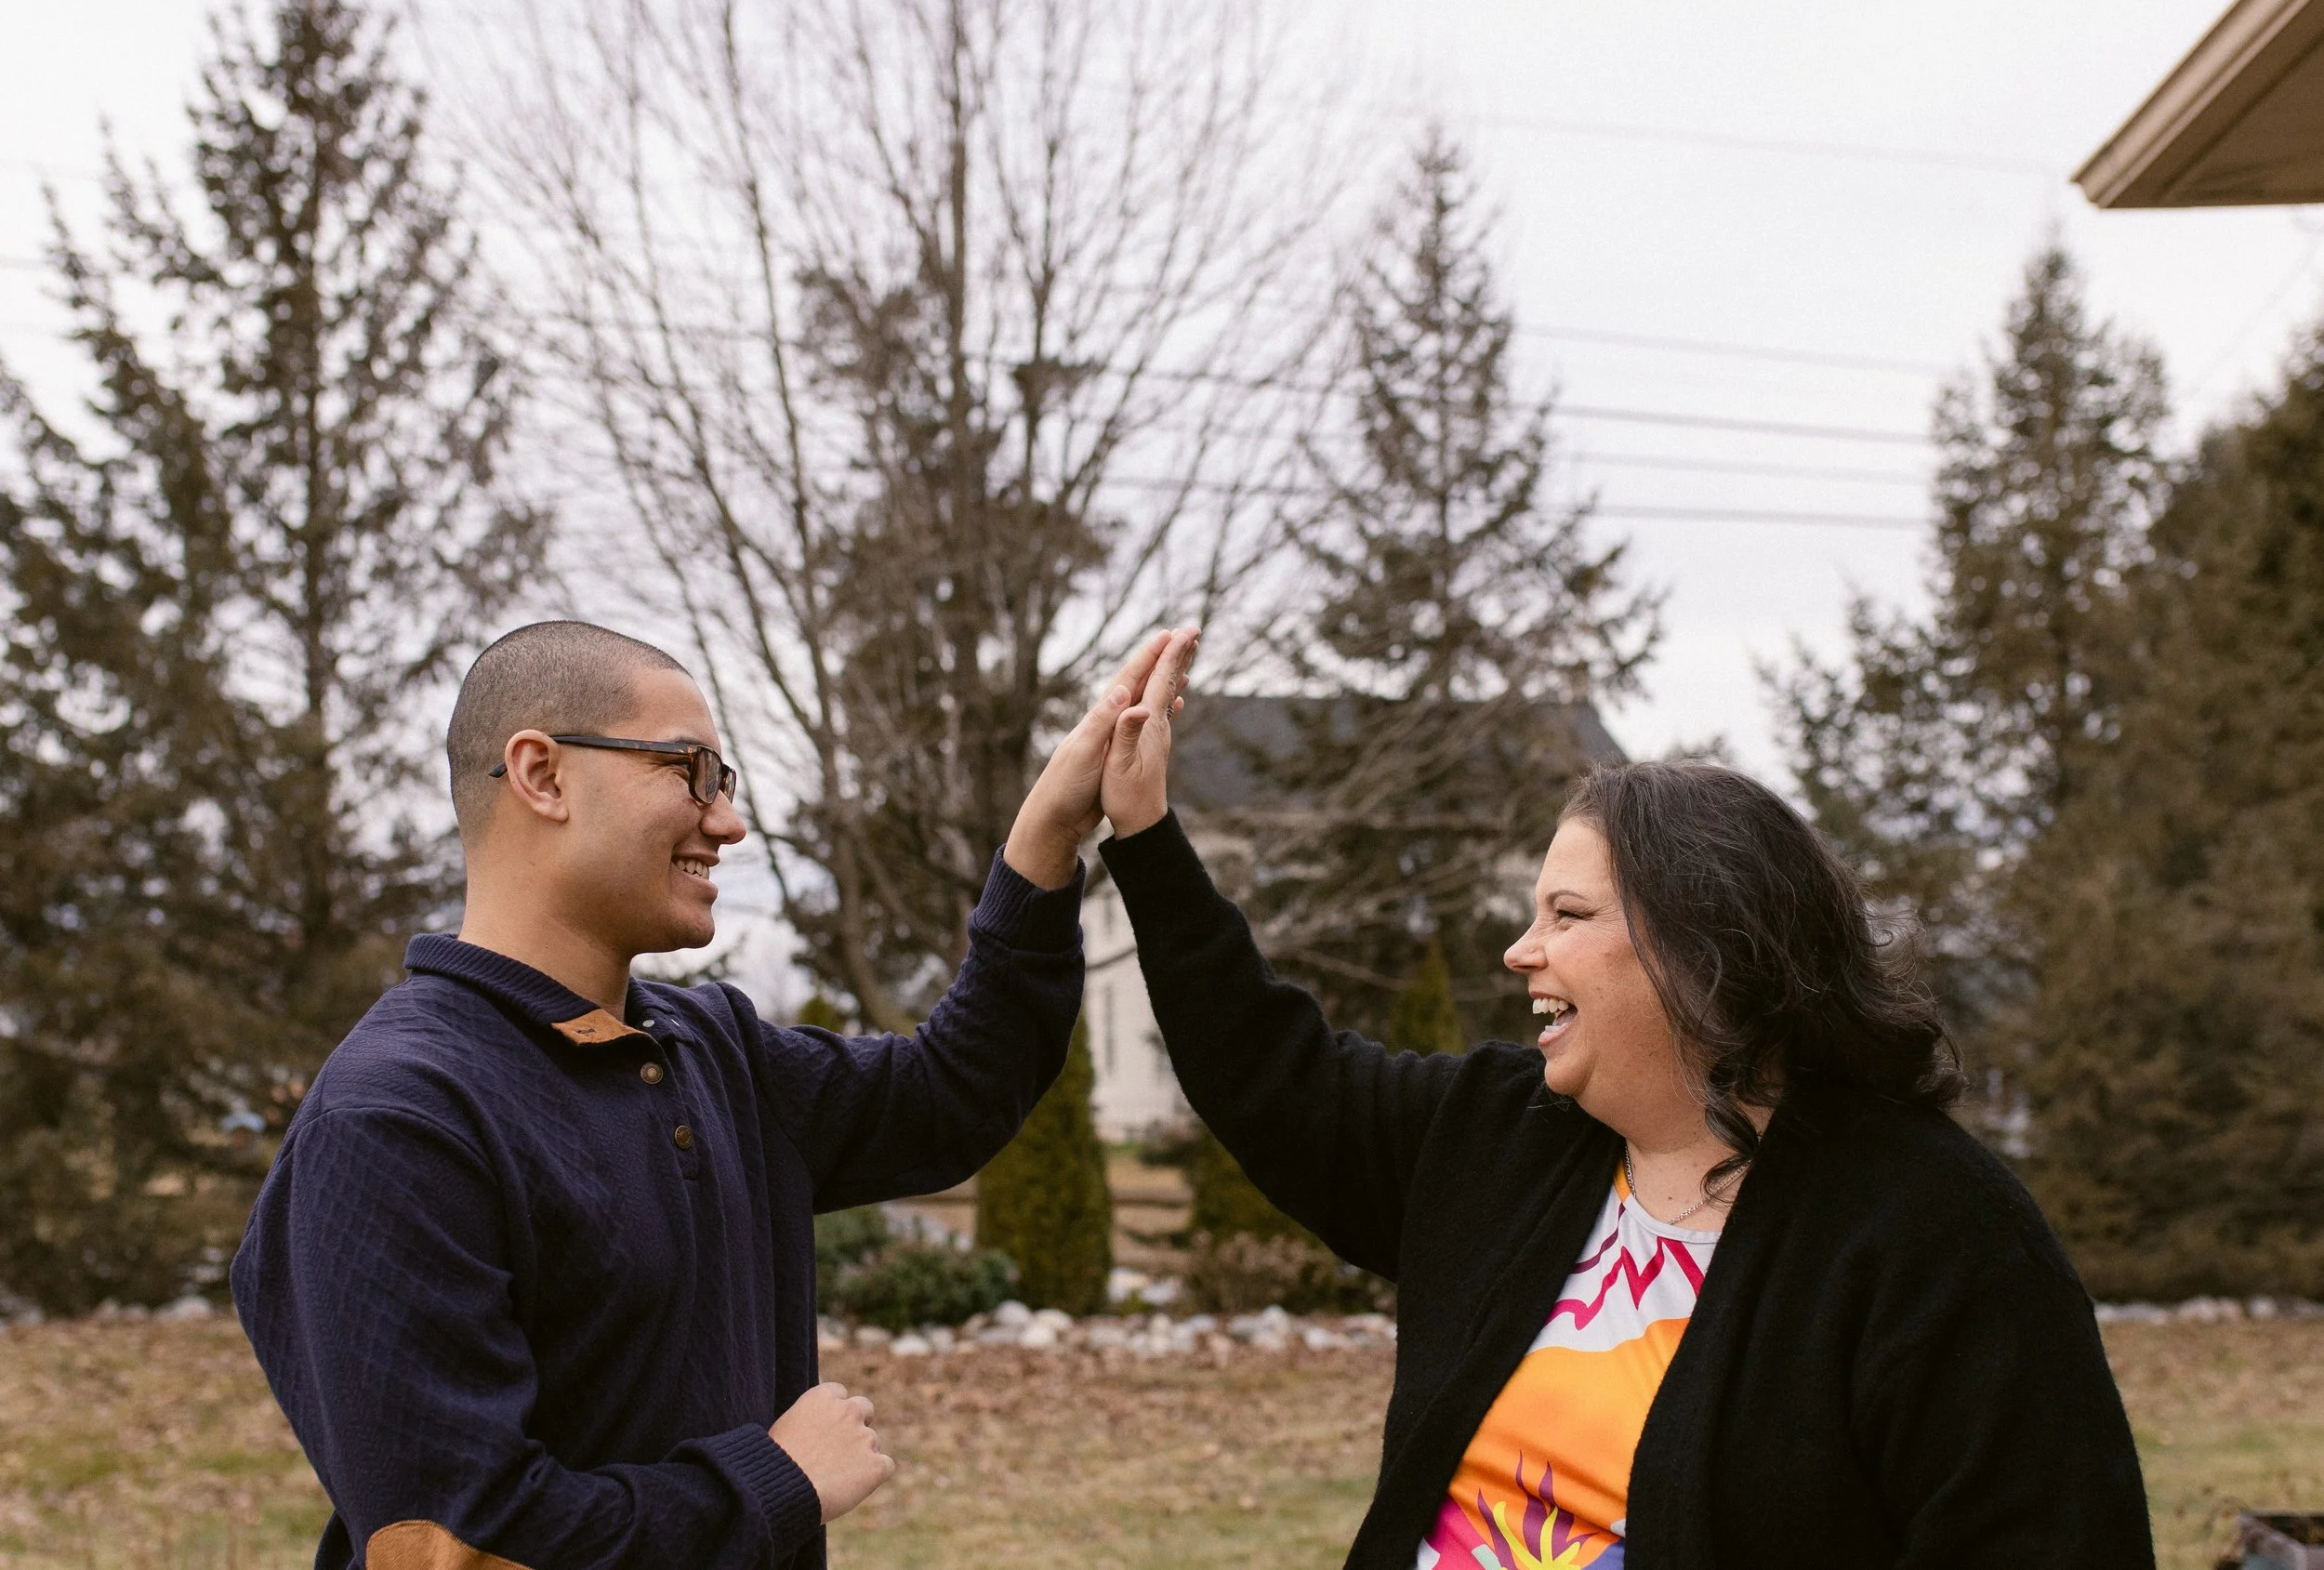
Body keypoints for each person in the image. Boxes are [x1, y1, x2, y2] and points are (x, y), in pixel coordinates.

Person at [231, 618, 1198, 1570]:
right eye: (687, 770)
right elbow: (455, 1547)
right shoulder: (399, 1116)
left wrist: (1047, 837)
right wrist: (772, 1481)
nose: (727, 820)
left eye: (723, 779)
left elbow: (953, 1095)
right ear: (540, 773)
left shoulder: (709, 1047)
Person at [1091, 721, 2155, 1569]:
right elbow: (1275, 1076)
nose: (1521, 950)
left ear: (1699, 948)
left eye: (1565, 912)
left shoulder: (1935, 1232)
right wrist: (1143, 836)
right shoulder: (1503, 1134)